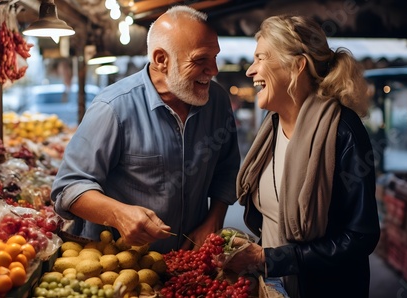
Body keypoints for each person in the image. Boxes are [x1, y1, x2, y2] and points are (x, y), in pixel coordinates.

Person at [50, 5, 240, 253]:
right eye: (200, 60)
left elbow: (227, 169)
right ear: (161, 59)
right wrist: (118, 214)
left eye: (215, 57)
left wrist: (214, 219)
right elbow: (68, 188)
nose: (213, 70)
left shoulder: (217, 101)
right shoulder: (113, 108)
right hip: (121, 265)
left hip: (188, 261)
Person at [223, 15, 380, 298]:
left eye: (260, 58)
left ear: (296, 66)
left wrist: (270, 258)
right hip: (274, 287)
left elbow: (361, 236)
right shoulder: (270, 126)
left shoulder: (343, 132)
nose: (250, 71)